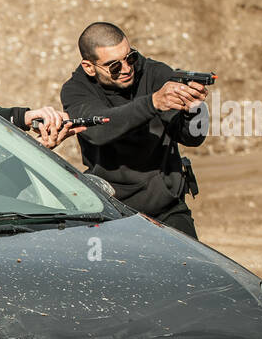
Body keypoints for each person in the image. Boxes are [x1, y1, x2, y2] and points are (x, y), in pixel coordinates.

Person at [60, 22, 208, 238]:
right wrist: (153, 103)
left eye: (130, 58)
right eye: (114, 66)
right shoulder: (76, 91)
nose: (127, 69)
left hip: (167, 207)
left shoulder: (155, 73)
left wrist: (193, 109)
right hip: (113, 213)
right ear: (89, 67)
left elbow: (191, 138)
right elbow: (99, 129)